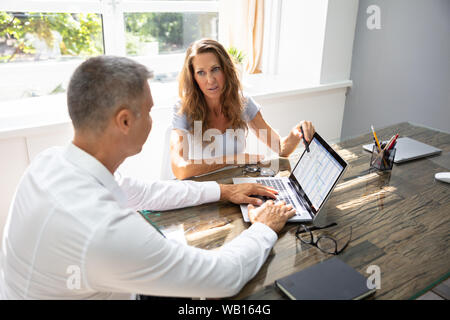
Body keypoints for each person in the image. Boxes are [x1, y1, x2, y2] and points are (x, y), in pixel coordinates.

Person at [0, 55, 296, 300]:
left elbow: (141, 192)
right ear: (125, 120)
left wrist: (224, 191)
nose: (154, 120)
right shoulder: (102, 231)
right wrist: (264, 228)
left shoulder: (51, 162)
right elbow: (222, 277)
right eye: (149, 111)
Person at [170, 38, 315, 180]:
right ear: (193, 77)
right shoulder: (183, 108)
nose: (210, 80)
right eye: (201, 72)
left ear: (226, 70)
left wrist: (296, 133)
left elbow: (281, 150)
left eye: (215, 69)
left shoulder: (242, 102)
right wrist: (234, 159)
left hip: (236, 186)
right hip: (201, 191)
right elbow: (180, 169)